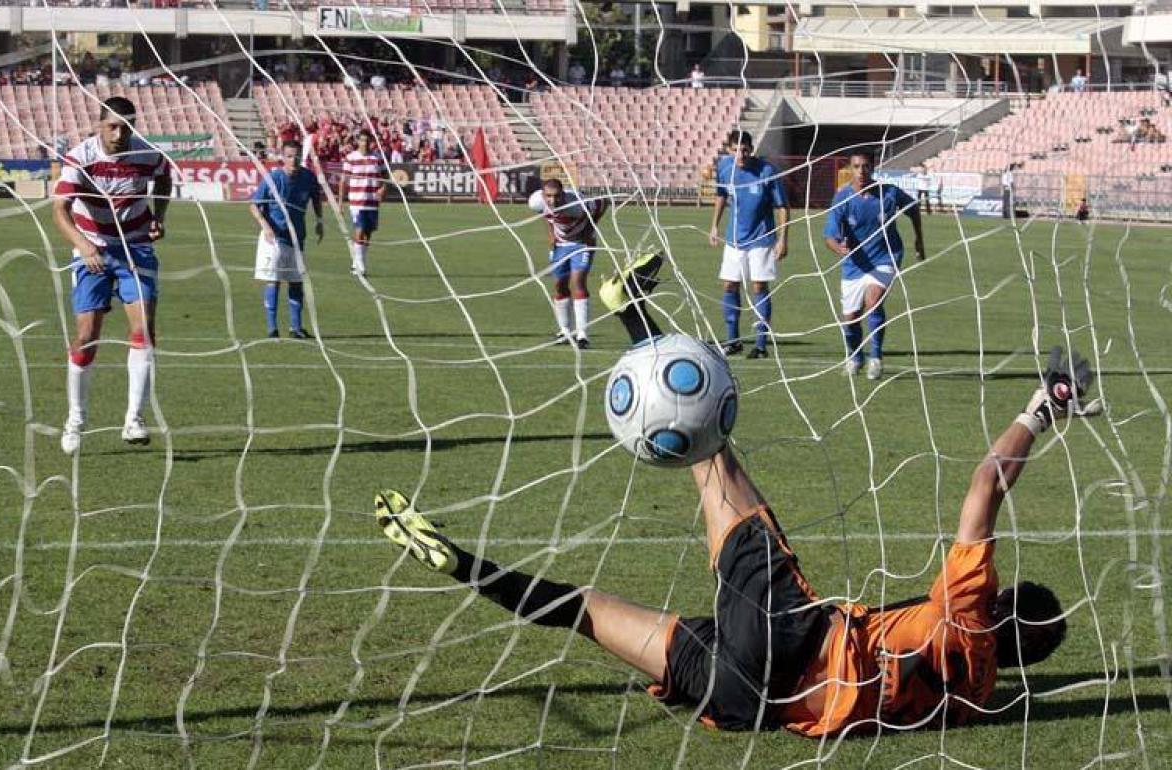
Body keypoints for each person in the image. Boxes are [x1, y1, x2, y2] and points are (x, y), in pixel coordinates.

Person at [376, 348, 1087, 735]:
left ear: (998, 608)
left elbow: (984, 490)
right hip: (747, 702)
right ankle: (460, 563)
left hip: (794, 637)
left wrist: (1041, 409)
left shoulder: (967, 616)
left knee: (715, 458)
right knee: (583, 610)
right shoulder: (980, 693)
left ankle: (641, 327)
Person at [53, 96, 171, 455]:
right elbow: (59, 209)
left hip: (135, 247)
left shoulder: (148, 155)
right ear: (99, 124)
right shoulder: (81, 157)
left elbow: (164, 179)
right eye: (112, 126)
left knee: (144, 331)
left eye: (126, 127)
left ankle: (134, 419)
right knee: (87, 335)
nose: (119, 134)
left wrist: (158, 217)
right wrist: (83, 246)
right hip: (92, 250)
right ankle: (76, 419)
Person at [823, 149, 925, 380]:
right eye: (856, 167)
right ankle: (855, 357)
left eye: (866, 166)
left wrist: (918, 239)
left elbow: (914, 208)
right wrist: (838, 247)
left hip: (885, 258)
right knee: (850, 319)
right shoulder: (842, 198)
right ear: (850, 168)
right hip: (854, 264)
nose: (861, 171)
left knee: (873, 300)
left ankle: (876, 358)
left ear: (873, 167)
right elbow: (829, 235)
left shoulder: (889, 193)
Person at [709, 130, 789, 359]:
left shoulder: (766, 171)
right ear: (728, 150)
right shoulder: (724, 168)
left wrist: (783, 239)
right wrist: (714, 225)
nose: (740, 155)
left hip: (761, 239)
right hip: (734, 239)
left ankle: (761, 344)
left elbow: (782, 206)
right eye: (736, 150)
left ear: (751, 149)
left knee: (758, 287)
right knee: (729, 286)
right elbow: (721, 195)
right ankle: (733, 341)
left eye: (745, 150)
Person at [249, 139, 324, 340]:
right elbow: (254, 205)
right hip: (273, 238)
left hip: (297, 237)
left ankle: (295, 328)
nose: (293, 160)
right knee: (274, 280)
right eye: (289, 156)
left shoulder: (308, 177)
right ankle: (272, 329)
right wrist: (265, 226)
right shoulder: (273, 178)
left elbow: (316, 197)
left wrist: (319, 220)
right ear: (282, 157)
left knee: (296, 282)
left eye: (297, 156)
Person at [526, 179, 608, 348]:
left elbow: (603, 202)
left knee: (578, 282)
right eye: (548, 196)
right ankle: (564, 331)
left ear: (563, 194)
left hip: (581, 244)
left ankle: (582, 335)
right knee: (559, 285)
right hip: (561, 246)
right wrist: (551, 235)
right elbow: (546, 215)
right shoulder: (535, 202)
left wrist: (590, 230)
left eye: (556, 196)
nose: (552, 200)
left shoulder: (578, 204)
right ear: (542, 195)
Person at [339, 129, 387, 277]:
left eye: (367, 140)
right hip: (356, 201)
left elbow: (385, 178)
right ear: (357, 141)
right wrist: (340, 201)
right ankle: (361, 265)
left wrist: (383, 189)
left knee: (368, 233)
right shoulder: (350, 158)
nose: (364, 143)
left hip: (372, 200)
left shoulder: (377, 158)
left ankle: (357, 263)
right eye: (362, 140)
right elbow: (343, 180)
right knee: (359, 230)